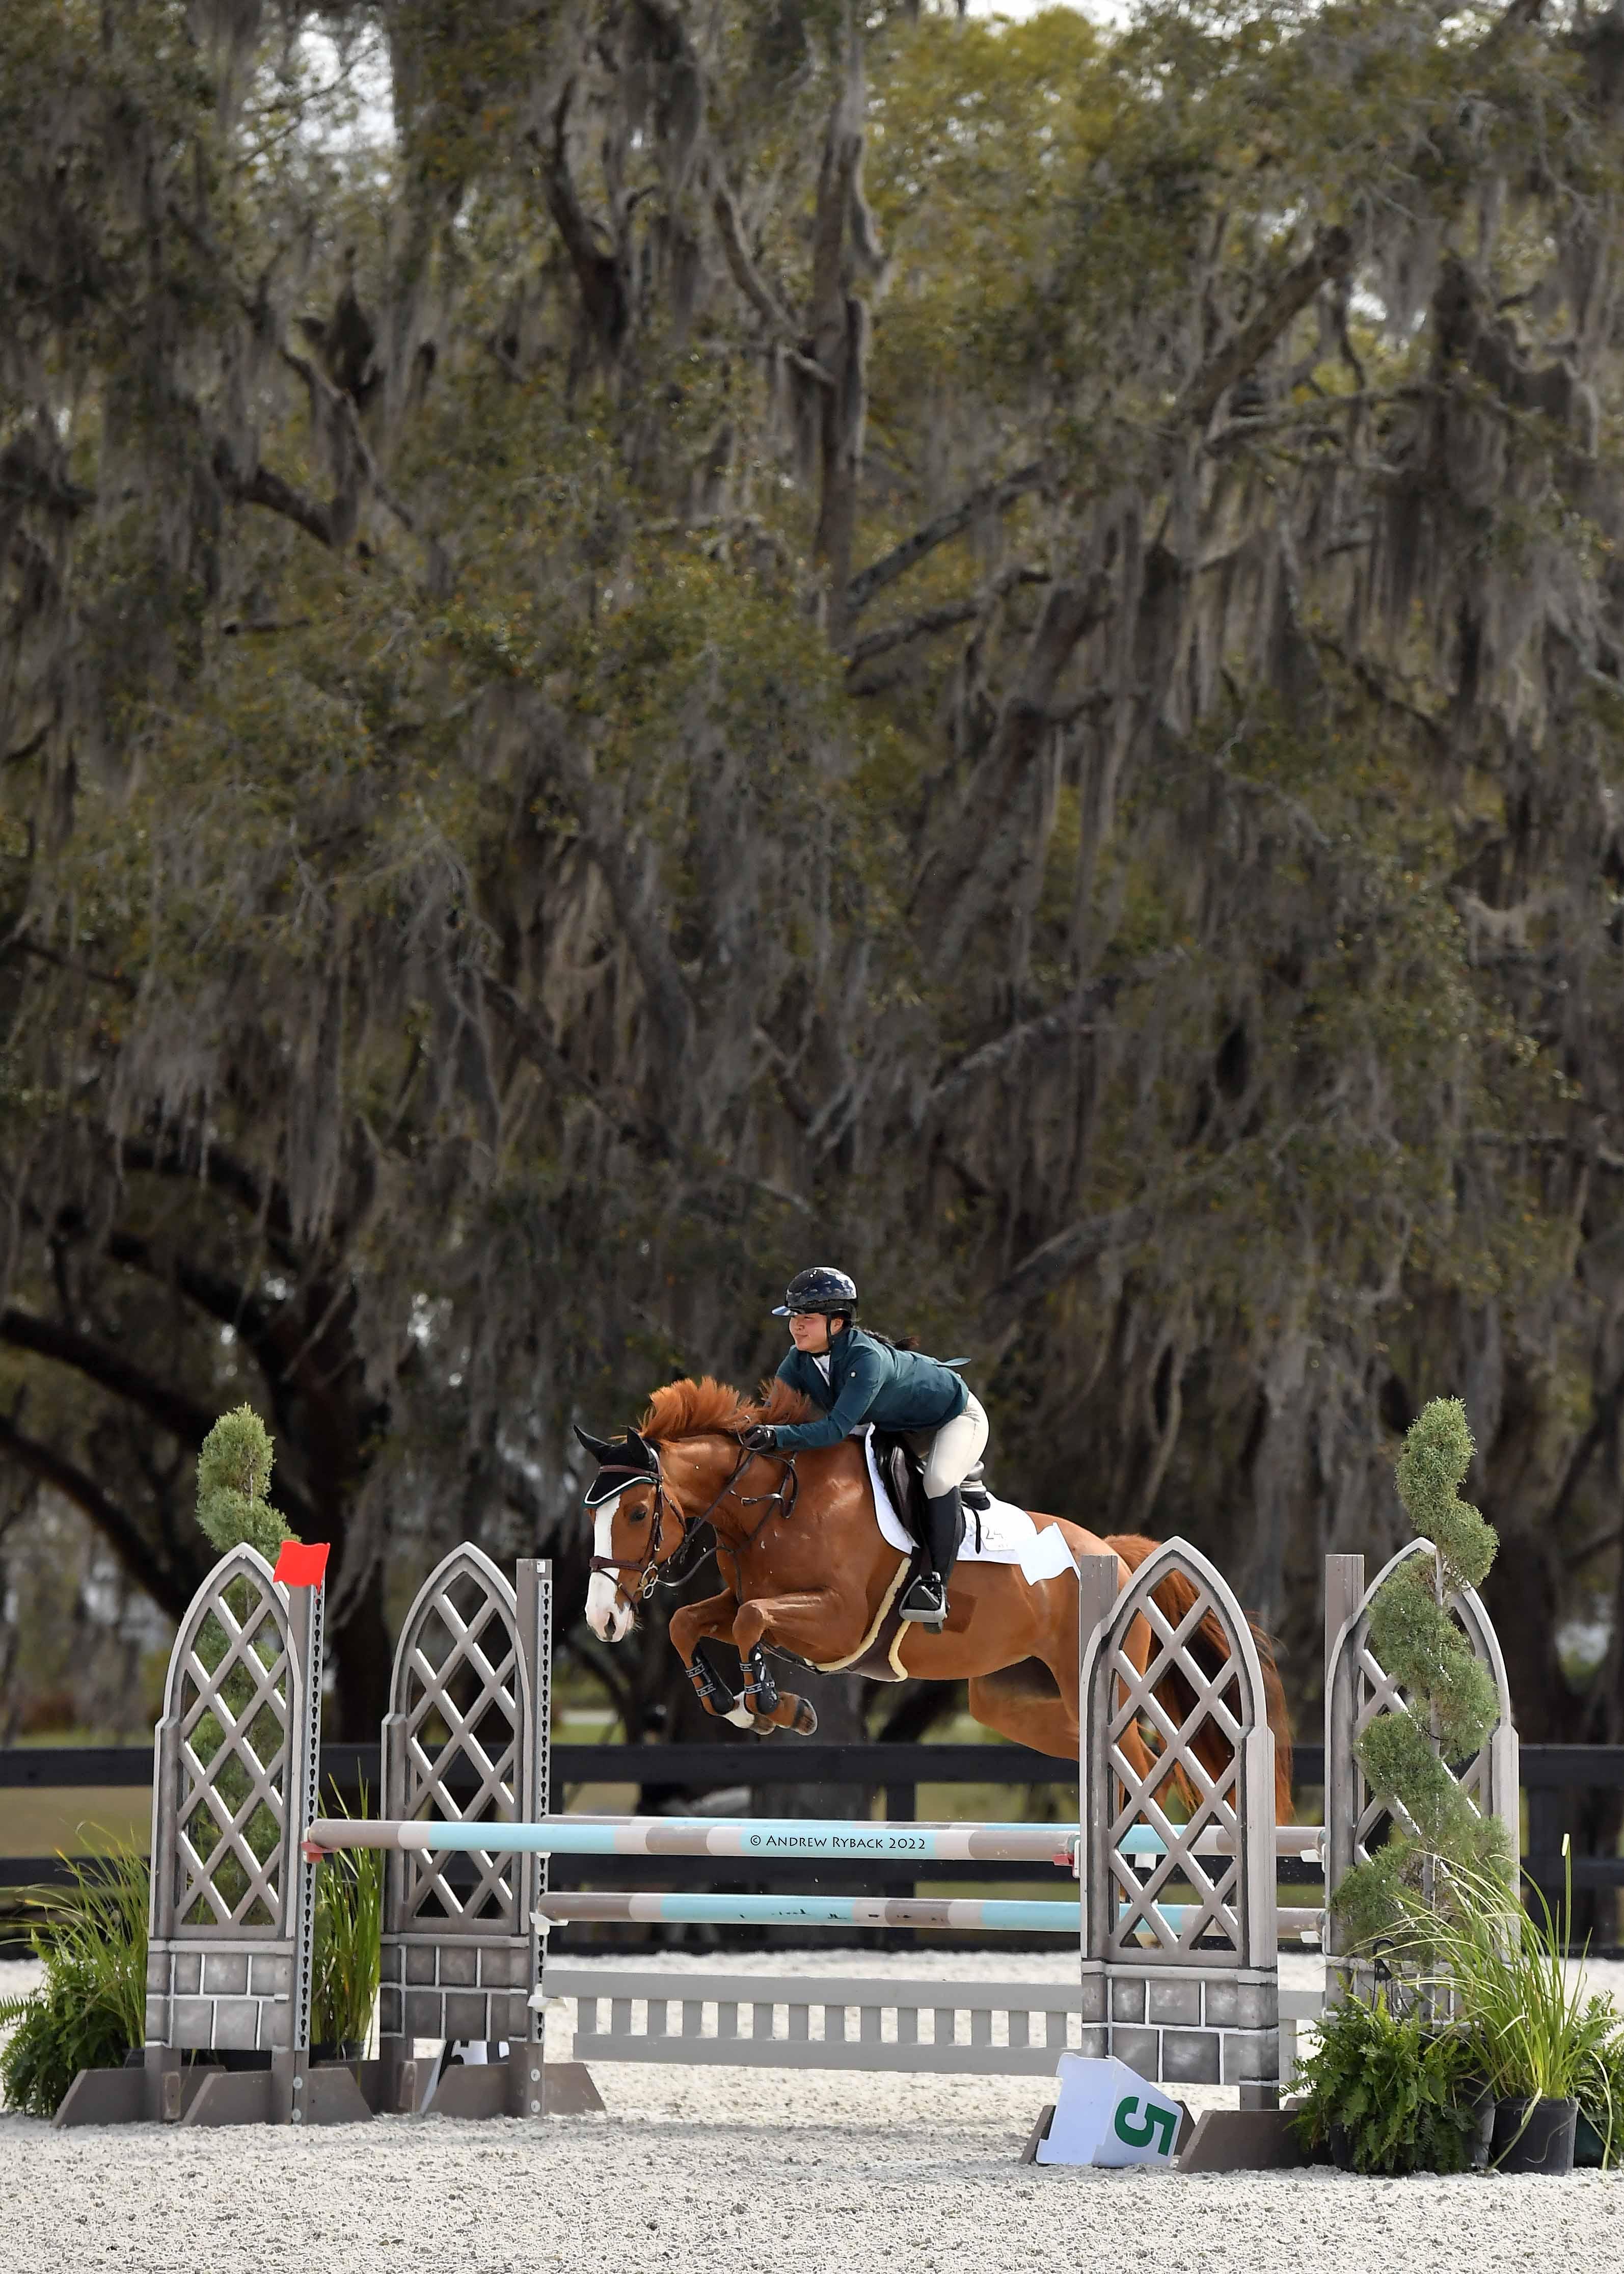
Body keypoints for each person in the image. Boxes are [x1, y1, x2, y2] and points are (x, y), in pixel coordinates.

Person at [742, 1266, 988, 1628]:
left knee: (936, 1480)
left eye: (807, 1318)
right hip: (894, 1424)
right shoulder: (798, 1360)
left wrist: (776, 1437)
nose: (796, 1326)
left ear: (837, 1323)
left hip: (953, 1417)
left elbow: (834, 1429)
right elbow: (772, 1414)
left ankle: (936, 1585)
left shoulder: (866, 1359)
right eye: (794, 1318)